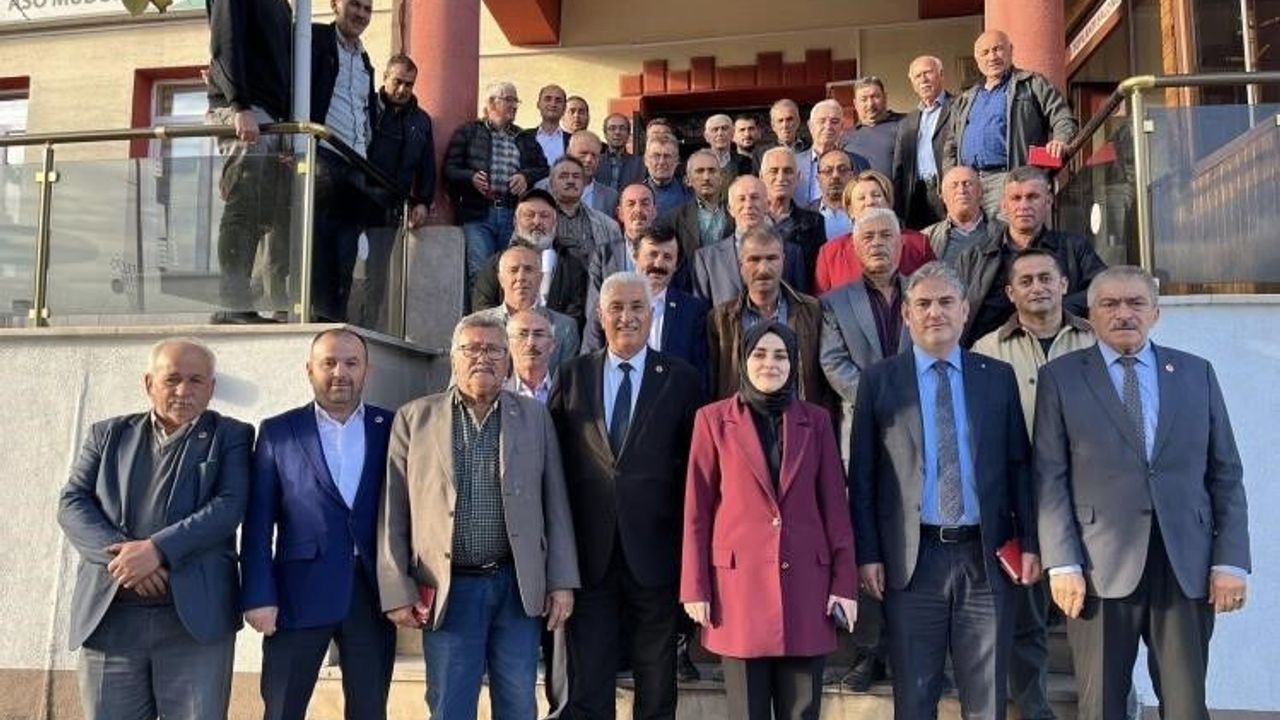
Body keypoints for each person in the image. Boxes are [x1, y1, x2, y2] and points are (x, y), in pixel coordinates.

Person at [1034, 266, 1251, 720]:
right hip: (1097, 567)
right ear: (1091, 315)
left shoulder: (1196, 373)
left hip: (1185, 564)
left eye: (1135, 303)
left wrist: (1229, 561)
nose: (1123, 313)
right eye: (1110, 304)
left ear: (1155, 312)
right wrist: (1062, 564)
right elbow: (1050, 476)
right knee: (1101, 707)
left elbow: (1226, 473)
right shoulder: (1061, 377)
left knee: (1186, 705)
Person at [851, 261, 1038, 720]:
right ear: (907, 315)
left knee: (986, 700)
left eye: (945, 302)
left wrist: (1031, 543)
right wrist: (868, 553)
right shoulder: (879, 380)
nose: (934, 312)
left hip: (985, 557)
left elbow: (1019, 467)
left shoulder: (997, 377)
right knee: (915, 698)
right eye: (923, 304)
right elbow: (864, 476)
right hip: (913, 560)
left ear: (965, 309)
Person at [379, 313, 580, 720]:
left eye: (493, 350)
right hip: (450, 589)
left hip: (515, 588)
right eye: (471, 349)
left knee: (518, 705)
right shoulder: (414, 418)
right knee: (450, 706)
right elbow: (393, 511)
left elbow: (555, 503)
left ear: (508, 361)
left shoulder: (534, 417)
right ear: (454, 358)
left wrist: (561, 581)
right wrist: (396, 588)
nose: (482, 358)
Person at [58, 338, 252, 720]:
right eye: (172, 379)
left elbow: (229, 507)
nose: (184, 391)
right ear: (149, 383)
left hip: (194, 623)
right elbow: (72, 503)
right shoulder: (107, 435)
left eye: (196, 380)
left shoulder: (231, 436)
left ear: (211, 387)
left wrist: (157, 551)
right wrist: (127, 559)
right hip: (111, 620)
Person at [682, 321, 857, 720]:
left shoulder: (816, 421)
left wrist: (844, 582)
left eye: (780, 356)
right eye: (759, 354)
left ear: (793, 364)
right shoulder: (712, 420)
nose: (770, 364)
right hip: (737, 592)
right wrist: (695, 587)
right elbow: (697, 512)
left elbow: (835, 507)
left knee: (802, 712)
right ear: (743, 360)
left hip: (807, 589)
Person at [549, 272, 704, 720]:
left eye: (637, 307)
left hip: (656, 555)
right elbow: (555, 466)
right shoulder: (573, 375)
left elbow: (694, 472)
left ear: (651, 314)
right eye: (616, 307)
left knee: (656, 687)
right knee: (588, 685)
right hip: (589, 558)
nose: (626, 317)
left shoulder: (682, 379)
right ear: (600, 315)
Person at [240, 329, 397, 720]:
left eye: (351, 363)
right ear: (309, 370)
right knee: (283, 710)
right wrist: (258, 595)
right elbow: (258, 524)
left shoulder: (392, 427)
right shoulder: (279, 431)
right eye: (329, 363)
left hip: (373, 595)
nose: (340, 372)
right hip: (298, 594)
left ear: (366, 371)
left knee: (369, 710)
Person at [971, 249, 1096, 720]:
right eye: (1025, 281)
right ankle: (1035, 710)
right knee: (1025, 623)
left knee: (1099, 620)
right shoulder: (986, 350)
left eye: (1046, 277)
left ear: (1064, 284)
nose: (1037, 287)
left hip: (1088, 499)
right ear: (1010, 292)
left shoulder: (1093, 340)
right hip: (1017, 502)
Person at [816, 207, 912, 691]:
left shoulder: (925, 292)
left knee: (915, 538)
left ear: (901, 243)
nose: (877, 243)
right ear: (853, 246)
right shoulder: (835, 303)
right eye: (868, 236)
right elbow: (833, 363)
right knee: (865, 537)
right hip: (862, 432)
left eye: (885, 235)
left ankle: (910, 649)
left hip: (921, 433)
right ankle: (869, 651)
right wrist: (882, 399)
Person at [206, 0, 292, 324]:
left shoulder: (283, 6)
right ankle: (232, 304)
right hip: (245, 110)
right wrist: (238, 104)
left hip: (269, 114)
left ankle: (241, 304)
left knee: (258, 212)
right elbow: (224, 41)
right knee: (243, 204)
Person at [955, 166, 1106, 347]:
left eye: (1033, 197)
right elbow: (954, 306)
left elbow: (1104, 289)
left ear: (1048, 201)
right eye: (1016, 198)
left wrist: (1058, 308)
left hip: (1059, 349)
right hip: (987, 353)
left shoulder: (1074, 248)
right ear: (1004, 205)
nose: (1024, 206)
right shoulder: (972, 257)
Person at [945, 30, 1079, 219]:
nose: (992, 57)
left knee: (1009, 235)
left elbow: (1062, 117)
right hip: (969, 185)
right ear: (977, 59)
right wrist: (951, 180)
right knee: (974, 236)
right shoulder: (966, 98)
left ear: (1010, 50)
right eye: (985, 52)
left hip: (1010, 179)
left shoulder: (1032, 83)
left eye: (997, 49)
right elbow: (950, 147)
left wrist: (1061, 140)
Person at [309, 0, 379, 322]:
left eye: (367, 8)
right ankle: (317, 322)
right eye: (354, 5)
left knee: (346, 253)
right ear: (335, 5)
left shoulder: (365, 60)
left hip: (356, 164)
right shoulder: (314, 39)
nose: (361, 14)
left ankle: (336, 322)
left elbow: (365, 113)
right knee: (320, 248)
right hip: (323, 155)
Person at [707, 226, 829, 409]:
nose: (763, 268)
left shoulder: (812, 311)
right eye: (754, 259)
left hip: (798, 418)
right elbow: (712, 383)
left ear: (783, 261)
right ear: (741, 265)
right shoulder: (720, 319)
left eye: (772, 258)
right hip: (740, 419)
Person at [443, 81, 549, 288]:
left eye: (515, 101)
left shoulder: (524, 138)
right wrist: (470, 177)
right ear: (491, 103)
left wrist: (526, 177)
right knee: (480, 272)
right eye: (509, 100)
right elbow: (450, 169)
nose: (514, 105)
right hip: (478, 214)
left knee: (512, 273)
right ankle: (482, 311)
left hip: (513, 215)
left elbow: (544, 168)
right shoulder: (469, 132)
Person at [356, 54, 436, 329]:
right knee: (343, 262)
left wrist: (423, 201)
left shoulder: (421, 121)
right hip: (356, 197)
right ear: (385, 78)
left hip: (389, 207)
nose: (402, 89)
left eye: (409, 84)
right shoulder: (367, 107)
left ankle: (367, 327)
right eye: (398, 82)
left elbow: (427, 165)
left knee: (377, 273)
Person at [582, 225, 710, 378]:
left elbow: (699, 375)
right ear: (635, 257)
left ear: (676, 265)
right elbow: (589, 363)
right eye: (652, 254)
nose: (658, 264)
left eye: (667, 257)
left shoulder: (692, 311)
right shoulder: (609, 303)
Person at [470, 188, 589, 329]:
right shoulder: (497, 263)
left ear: (555, 223)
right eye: (529, 215)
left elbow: (575, 315)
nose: (537, 221)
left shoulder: (572, 265)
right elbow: (483, 308)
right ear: (515, 222)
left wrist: (543, 335)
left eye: (544, 216)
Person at [813, 170, 935, 294]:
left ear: (888, 203)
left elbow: (934, 290)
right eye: (861, 198)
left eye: (876, 195)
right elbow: (822, 302)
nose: (870, 201)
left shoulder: (918, 244)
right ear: (850, 210)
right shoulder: (830, 253)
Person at [692, 175, 807, 307]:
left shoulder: (792, 253)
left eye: (755, 197)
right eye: (741, 199)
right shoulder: (707, 259)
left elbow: (800, 305)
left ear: (767, 205)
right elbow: (701, 311)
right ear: (730, 209)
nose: (748, 205)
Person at [475, 243, 581, 370]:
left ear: (540, 278)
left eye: (528, 270)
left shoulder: (565, 328)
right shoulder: (477, 325)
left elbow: (567, 380)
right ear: (501, 279)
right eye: (513, 270)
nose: (521, 277)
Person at [893, 55, 952, 230]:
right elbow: (899, 168)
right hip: (916, 194)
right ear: (912, 83)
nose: (923, 79)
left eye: (928, 73)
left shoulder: (959, 107)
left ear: (941, 74)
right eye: (918, 76)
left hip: (946, 189)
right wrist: (899, 207)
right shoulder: (907, 122)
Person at [759, 146, 826, 282]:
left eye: (788, 171)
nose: (781, 177)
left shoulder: (814, 222)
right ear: (761, 177)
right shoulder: (749, 218)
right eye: (774, 171)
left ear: (798, 177)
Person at [544, 156, 624, 268]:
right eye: (564, 176)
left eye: (576, 176)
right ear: (551, 184)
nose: (571, 181)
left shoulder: (608, 226)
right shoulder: (536, 221)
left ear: (584, 184)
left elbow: (617, 268)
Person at [660, 148, 733, 259]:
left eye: (712, 171)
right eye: (700, 171)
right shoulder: (673, 219)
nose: (706, 177)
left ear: (721, 177)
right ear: (688, 180)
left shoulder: (736, 212)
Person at [795, 99, 868, 208]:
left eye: (834, 121)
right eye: (822, 121)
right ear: (810, 126)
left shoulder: (859, 163)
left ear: (842, 127)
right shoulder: (793, 163)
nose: (828, 126)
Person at [922, 165, 1000, 264]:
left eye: (967, 184)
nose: (961, 190)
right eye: (954, 186)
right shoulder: (925, 239)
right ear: (944, 197)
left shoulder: (1004, 233)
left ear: (980, 192)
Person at [535, 130, 619, 214]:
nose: (589, 160)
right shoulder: (543, 188)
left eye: (594, 155)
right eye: (583, 154)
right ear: (569, 153)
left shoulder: (610, 197)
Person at [845, 76, 904, 177]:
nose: (870, 104)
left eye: (875, 97)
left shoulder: (905, 124)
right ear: (855, 104)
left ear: (885, 98)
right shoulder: (846, 138)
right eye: (864, 99)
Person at [810, 149, 856, 241]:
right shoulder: (806, 215)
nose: (835, 176)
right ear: (818, 179)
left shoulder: (864, 212)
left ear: (852, 176)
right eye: (828, 171)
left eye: (842, 170)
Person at [753, 99, 809, 169]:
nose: (785, 125)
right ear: (773, 126)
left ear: (798, 121)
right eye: (780, 121)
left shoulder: (811, 148)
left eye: (789, 119)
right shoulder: (761, 154)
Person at [643, 135, 692, 217]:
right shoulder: (636, 195)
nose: (661, 162)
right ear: (646, 161)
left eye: (667, 156)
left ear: (677, 161)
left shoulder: (690, 194)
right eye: (656, 156)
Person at [597, 113, 645, 190]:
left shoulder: (640, 164)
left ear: (628, 134)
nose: (617, 132)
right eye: (612, 128)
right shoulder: (595, 162)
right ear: (605, 134)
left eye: (622, 128)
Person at [532, 84, 570, 165]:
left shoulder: (571, 141)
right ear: (538, 104)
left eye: (558, 101)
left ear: (564, 108)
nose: (553, 104)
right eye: (548, 99)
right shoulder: (523, 138)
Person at [704, 113, 746, 183]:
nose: (720, 133)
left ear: (732, 134)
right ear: (706, 136)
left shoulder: (746, 162)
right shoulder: (698, 162)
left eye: (724, 129)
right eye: (715, 130)